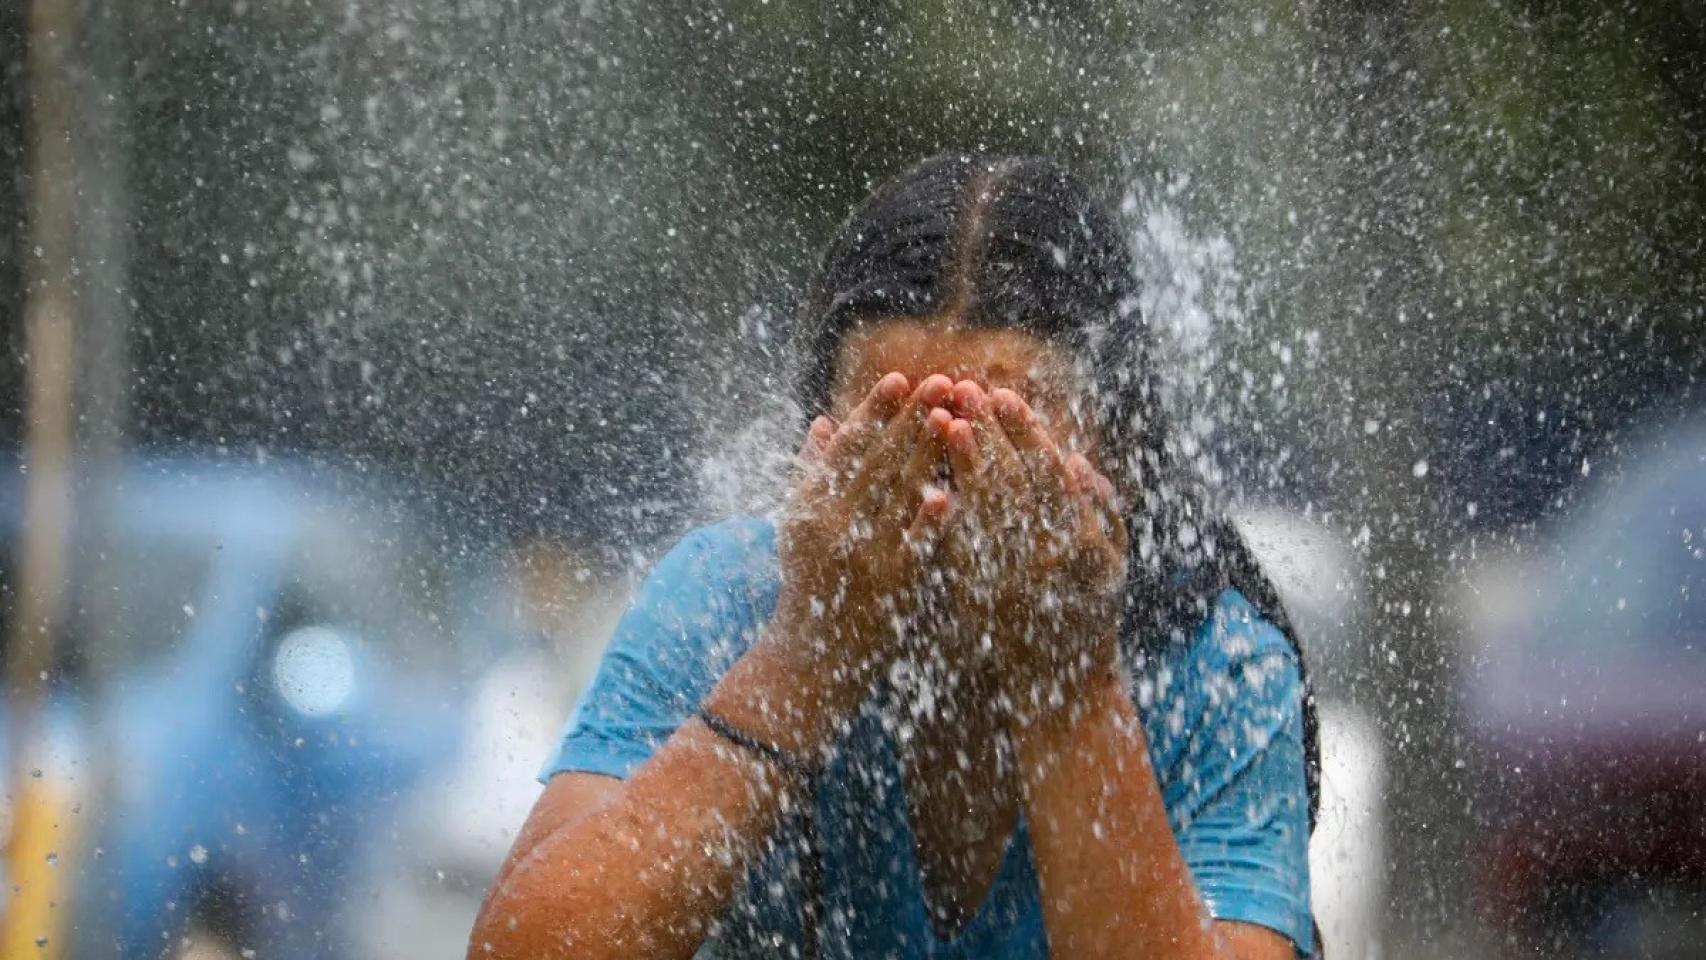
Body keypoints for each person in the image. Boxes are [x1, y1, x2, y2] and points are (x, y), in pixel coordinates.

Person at [468, 154, 1318, 960]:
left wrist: (1070, 686)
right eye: (894, 443)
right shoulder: (731, 603)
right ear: (814, 449)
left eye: (1002, 449)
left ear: (1119, 456)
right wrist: (807, 654)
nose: (940, 505)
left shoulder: (1216, 673)